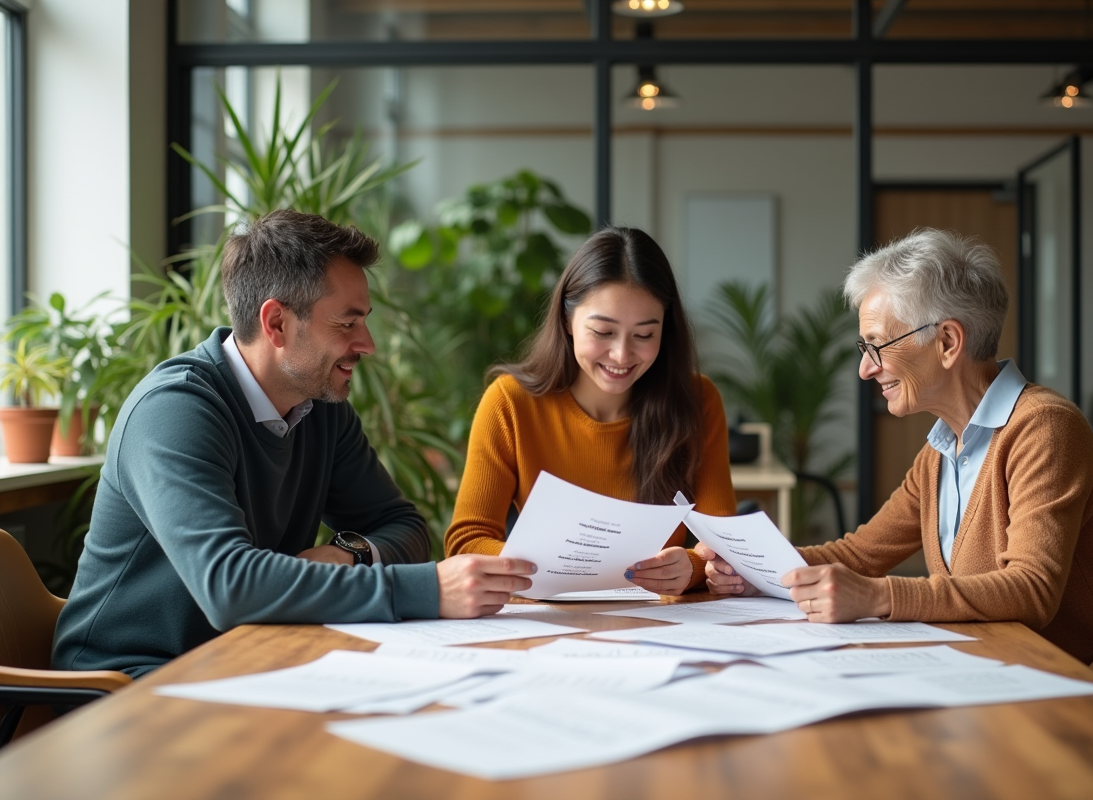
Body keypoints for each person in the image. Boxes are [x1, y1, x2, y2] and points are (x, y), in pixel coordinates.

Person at [700, 227, 1093, 730]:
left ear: (947, 341)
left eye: (876, 346)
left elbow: (1032, 591)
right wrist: (753, 569)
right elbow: (858, 554)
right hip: (1029, 690)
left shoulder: (1044, 428)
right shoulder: (942, 450)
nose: (864, 370)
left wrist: (878, 596)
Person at [53, 210, 534, 677]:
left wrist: (351, 552)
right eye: (347, 324)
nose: (367, 344)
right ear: (277, 323)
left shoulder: (319, 408)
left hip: (251, 659)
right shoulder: (175, 411)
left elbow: (403, 526)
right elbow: (230, 586)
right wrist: (427, 589)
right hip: (129, 681)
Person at [444, 226, 736, 595]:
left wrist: (692, 567)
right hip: (543, 622)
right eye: (602, 331)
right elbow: (467, 542)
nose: (621, 355)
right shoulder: (510, 403)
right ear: (567, 321)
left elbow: (723, 548)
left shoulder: (698, 401)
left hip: (657, 624)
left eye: (644, 335)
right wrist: (544, 569)